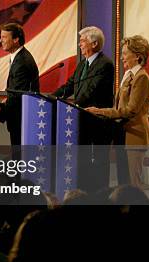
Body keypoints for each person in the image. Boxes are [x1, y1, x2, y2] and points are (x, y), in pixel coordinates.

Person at [52, 26, 115, 192]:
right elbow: (70, 86)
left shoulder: (105, 64)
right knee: (84, 157)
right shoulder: (82, 64)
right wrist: (52, 98)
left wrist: (76, 105)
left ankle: (101, 193)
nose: (79, 44)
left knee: (100, 159)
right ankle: (86, 191)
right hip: (82, 119)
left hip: (98, 120)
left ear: (94, 43)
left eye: (82, 41)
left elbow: (92, 89)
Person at [87, 35, 149, 188]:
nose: (122, 57)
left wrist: (100, 111)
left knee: (132, 185)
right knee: (124, 184)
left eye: (125, 53)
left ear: (137, 56)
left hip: (134, 137)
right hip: (122, 135)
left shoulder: (141, 77)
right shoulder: (128, 75)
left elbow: (130, 110)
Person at [0, 23, 40, 145]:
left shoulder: (22, 61)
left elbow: (16, 95)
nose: (0, 40)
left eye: (4, 37)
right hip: (19, 117)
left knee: (20, 159)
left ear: (16, 39)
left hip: (21, 119)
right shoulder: (18, 57)